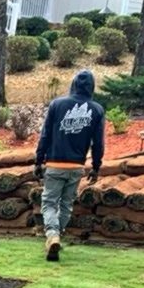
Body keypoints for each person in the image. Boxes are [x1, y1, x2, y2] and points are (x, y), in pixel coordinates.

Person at [34, 69, 105, 262]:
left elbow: (45, 135)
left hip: (55, 164)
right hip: (76, 167)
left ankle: (52, 235)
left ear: (73, 84)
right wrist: (96, 166)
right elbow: (98, 143)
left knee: (49, 203)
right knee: (66, 205)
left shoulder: (57, 105)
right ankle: (57, 235)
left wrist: (38, 161)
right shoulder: (97, 110)